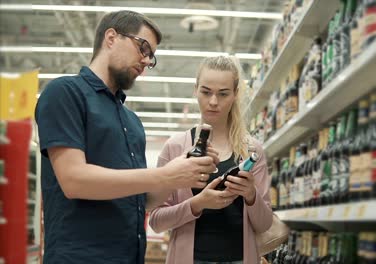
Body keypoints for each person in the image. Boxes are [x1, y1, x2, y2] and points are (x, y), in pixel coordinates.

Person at [35, 10, 218, 264]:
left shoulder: (132, 123)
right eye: (143, 47)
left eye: (151, 56)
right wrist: (165, 174)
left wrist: (181, 172)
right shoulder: (65, 93)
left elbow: (144, 200)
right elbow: (73, 180)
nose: (146, 60)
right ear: (111, 37)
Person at [148, 56, 273, 264]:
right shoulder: (176, 147)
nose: (213, 102)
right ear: (195, 89)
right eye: (206, 92)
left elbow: (265, 224)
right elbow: (156, 221)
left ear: (235, 95)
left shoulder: (252, 151)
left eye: (223, 94)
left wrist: (251, 195)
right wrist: (197, 204)